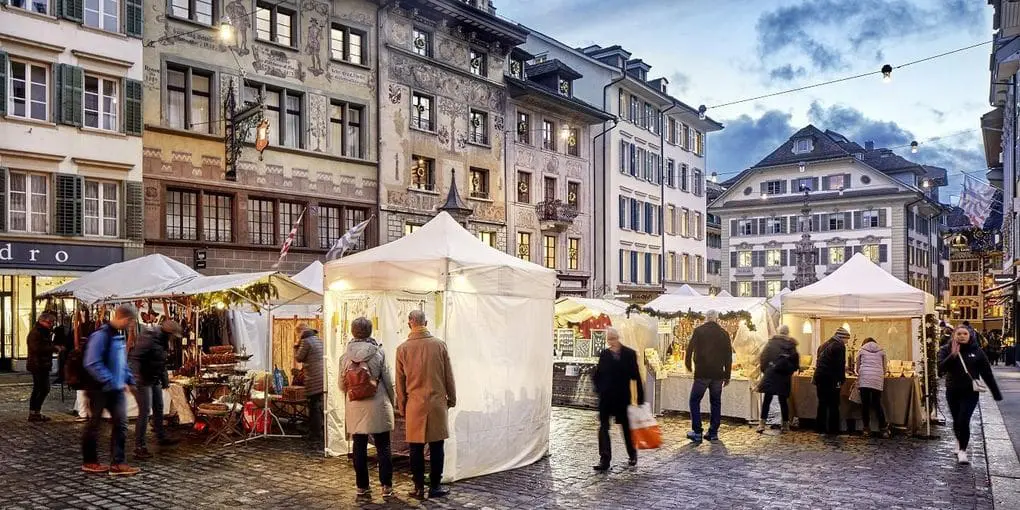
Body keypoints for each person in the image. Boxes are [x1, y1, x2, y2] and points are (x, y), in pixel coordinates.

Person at [395, 310, 456, 500]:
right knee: (437, 447)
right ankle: (435, 486)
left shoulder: (402, 349)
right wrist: (452, 398)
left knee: (415, 448)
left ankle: (418, 487)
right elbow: (448, 375)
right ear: (426, 323)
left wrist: (402, 406)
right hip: (437, 403)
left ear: (409, 324)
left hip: (414, 404)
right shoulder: (439, 345)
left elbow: (400, 383)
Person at [340, 317, 395, 499]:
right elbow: (388, 381)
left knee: (359, 446)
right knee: (383, 446)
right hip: (378, 403)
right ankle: (386, 486)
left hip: (355, 404)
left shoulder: (345, 356)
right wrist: (393, 401)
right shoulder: (379, 353)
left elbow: (341, 384)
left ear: (352, 331)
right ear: (370, 331)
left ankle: (362, 486)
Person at [82, 304, 139, 476]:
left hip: (115, 389)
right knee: (94, 425)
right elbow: (92, 362)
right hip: (99, 389)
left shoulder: (117, 336)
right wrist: (111, 380)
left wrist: (129, 379)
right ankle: (90, 461)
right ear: (125, 318)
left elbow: (121, 363)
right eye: (131, 322)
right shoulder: (101, 335)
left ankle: (118, 462)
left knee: (121, 424)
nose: (131, 325)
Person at [938, 326, 1003, 464]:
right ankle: (958, 439)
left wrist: (996, 393)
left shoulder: (977, 351)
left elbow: (987, 373)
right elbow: (940, 368)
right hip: (953, 390)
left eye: (965, 334)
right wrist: (953, 355)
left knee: (964, 419)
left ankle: (963, 450)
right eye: (959, 334)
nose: (962, 336)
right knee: (956, 419)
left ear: (970, 335)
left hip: (970, 392)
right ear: (954, 335)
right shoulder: (945, 349)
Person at [592, 327, 644, 471]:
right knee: (603, 427)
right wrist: (599, 388)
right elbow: (597, 374)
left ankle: (632, 454)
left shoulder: (629, 354)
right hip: (606, 397)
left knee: (626, 427)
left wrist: (640, 398)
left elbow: (636, 376)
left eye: (613, 339)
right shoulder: (604, 354)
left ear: (618, 338)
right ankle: (605, 459)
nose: (611, 342)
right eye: (609, 339)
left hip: (622, 397)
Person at [129, 320, 181, 459]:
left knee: (158, 407)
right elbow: (135, 357)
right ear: (168, 332)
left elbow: (162, 362)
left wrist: (164, 380)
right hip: (143, 379)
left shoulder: (163, 340)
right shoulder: (150, 337)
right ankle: (139, 446)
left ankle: (161, 436)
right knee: (145, 412)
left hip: (154, 378)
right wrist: (136, 376)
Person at [684, 310, 733, 443]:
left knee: (694, 400)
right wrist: (727, 375)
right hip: (718, 374)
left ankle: (697, 432)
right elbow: (728, 356)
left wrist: (688, 365)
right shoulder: (724, 333)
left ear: (706, 318)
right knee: (716, 402)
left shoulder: (699, 331)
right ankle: (713, 432)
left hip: (702, 372)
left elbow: (689, 349)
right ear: (717, 319)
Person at [756, 325, 799, 434]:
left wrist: (766, 370)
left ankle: (762, 424)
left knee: (767, 400)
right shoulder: (791, 345)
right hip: (784, 376)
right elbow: (796, 363)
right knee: (783, 401)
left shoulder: (771, 343)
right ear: (787, 333)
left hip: (771, 374)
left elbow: (763, 358)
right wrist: (789, 371)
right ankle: (785, 424)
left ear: (778, 332)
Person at [814, 327, 849, 436]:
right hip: (831, 378)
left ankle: (820, 428)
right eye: (847, 339)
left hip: (819, 377)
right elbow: (840, 364)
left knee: (822, 403)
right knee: (834, 404)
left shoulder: (823, 345)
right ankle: (833, 429)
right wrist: (841, 380)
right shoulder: (839, 346)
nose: (847, 342)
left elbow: (819, 361)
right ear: (842, 337)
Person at [294, 324, 324, 445]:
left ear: (300, 332)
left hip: (313, 378)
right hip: (322, 378)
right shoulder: (317, 339)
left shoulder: (305, 341)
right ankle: (319, 432)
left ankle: (315, 434)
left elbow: (299, 358)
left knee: (314, 408)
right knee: (318, 407)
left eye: (297, 333)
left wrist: (296, 346)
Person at [26, 312, 58, 422]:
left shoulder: (44, 332)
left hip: (42, 364)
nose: (51, 324)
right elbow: (37, 348)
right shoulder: (36, 332)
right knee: (41, 388)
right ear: (42, 321)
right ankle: (34, 413)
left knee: (42, 388)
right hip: (37, 364)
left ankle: (35, 412)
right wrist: (53, 348)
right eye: (50, 322)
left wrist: (54, 347)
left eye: (52, 322)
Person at [855, 337, 889, 438]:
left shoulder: (861, 351)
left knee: (865, 405)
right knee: (877, 404)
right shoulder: (882, 351)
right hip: (877, 380)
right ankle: (883, 429)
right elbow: (884, 368)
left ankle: (866, 429)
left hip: (864, 380)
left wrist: (861, 372)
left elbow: (857, 368)